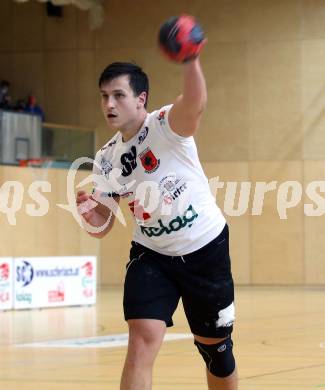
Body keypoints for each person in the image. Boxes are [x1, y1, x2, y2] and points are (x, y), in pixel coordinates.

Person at [76, 44, 237, 389]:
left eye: (118, 95)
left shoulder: (166, 125)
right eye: (104, 96)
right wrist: (93, 216)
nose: (109, 104)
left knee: (216, 352)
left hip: (205, 247)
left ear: (141, 98)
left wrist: (191, 59)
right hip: (152, 255)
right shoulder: (106, 158)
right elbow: (104, 223)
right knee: (141, 340)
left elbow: (194, 103)